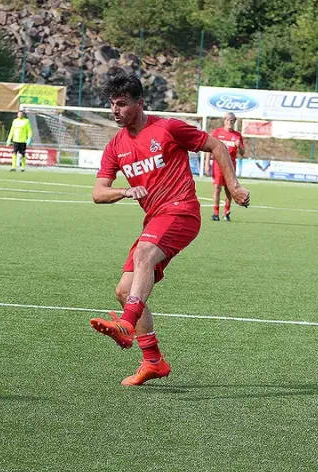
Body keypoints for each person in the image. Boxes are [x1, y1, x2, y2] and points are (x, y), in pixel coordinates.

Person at [89, 71, 251, 386]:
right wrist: (124, 191)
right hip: (155, 220)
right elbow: (98, 193)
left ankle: (126, 323)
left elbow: (217, 145)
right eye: (112, 104)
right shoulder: (115, 146)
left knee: (144, 253)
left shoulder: (168, 128)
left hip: (182, 211)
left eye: (121, 104)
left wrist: (233, 186)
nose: (115, 110)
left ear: (139, 104)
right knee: (124, 290)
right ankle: (153, 362)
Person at [204, 112, 246, 221]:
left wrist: (239, 146)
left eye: (231, 120)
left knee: (229, 189)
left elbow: (242, 153)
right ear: (224, 120)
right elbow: (209, 148)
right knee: (217, 187)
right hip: (218, 164)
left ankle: (226, 212)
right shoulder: (217, 132)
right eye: (227, 120)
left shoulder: (237, 135)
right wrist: (207, 163)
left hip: (230, 166)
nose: (229, 122)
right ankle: (215, 213)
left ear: (234, 121)